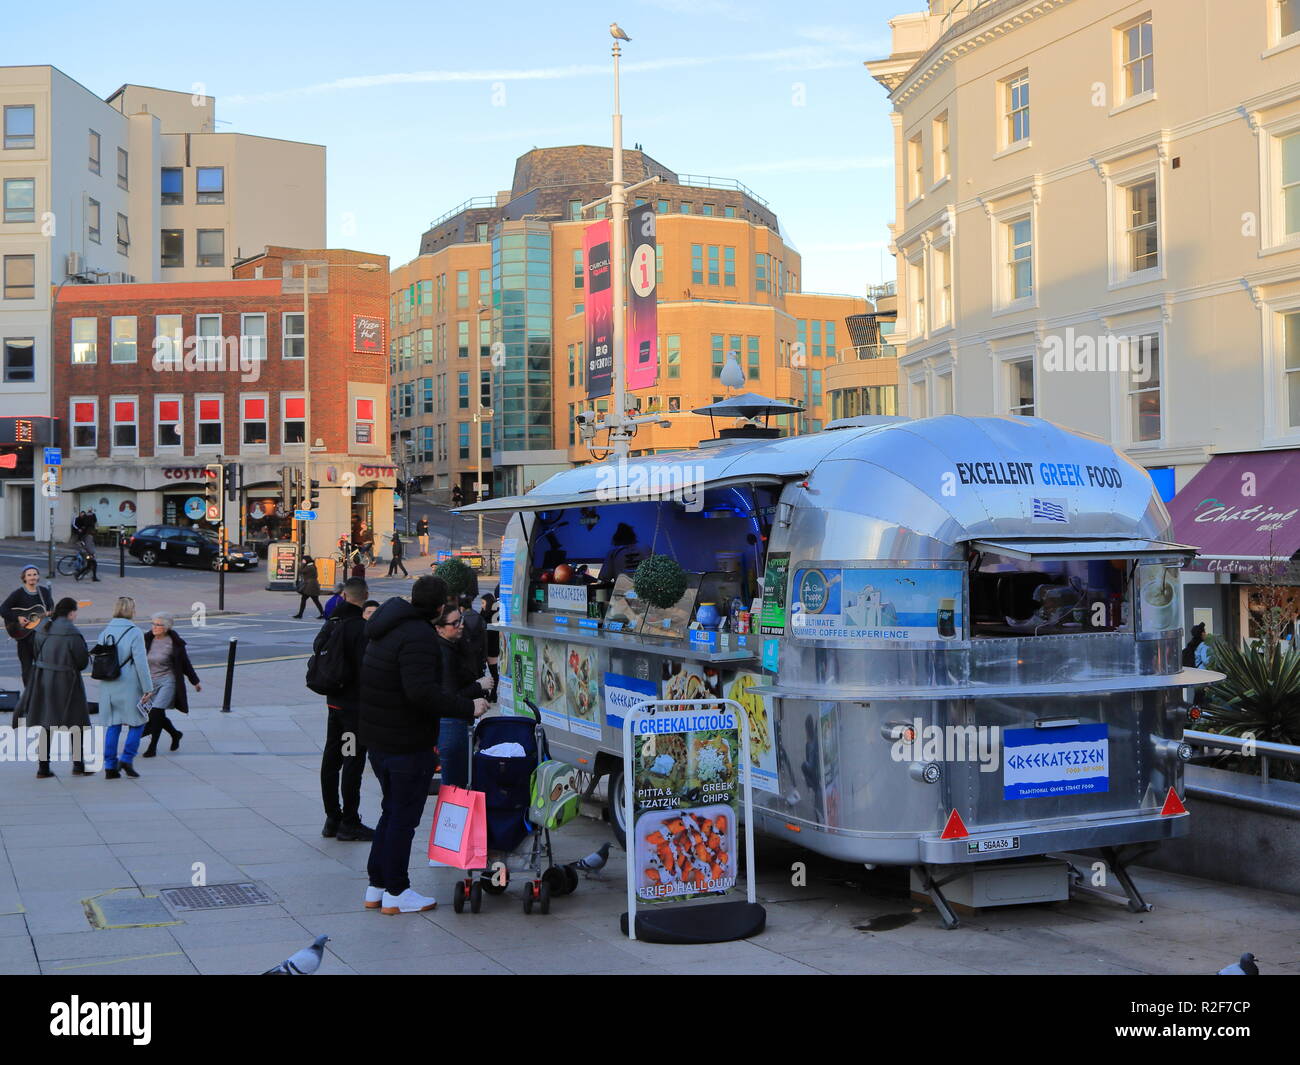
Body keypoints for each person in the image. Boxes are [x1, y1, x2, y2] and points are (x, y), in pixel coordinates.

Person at [358, 576, 488, 914]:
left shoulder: (385, 627)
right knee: (403, 818)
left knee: (391, 811)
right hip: (405, 741)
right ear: (440, 606)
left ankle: (377, 886)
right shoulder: (417, 637)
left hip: (380, 738)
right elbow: (421, 692)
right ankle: (397, 892)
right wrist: (467, 706)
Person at [318, 578, 375, 841]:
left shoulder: (332, 624)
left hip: (334, 703)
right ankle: (349, 822)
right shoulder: (360, 629)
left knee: (331, 760)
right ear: (364, 595)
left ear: (343, 596)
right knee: (351, 761)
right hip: (353, 708)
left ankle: (332, 817)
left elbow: (318, 651)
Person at [14, 598, 91, 778]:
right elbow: (81, 662)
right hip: (68, 681)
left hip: (44, 680)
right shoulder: (73, 632)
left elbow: (36, 652)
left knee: (45, 723)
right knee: (76, 723)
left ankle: (43, 768)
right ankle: (78, 765)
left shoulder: (43, 628)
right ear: (71, 612)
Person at [434, 601, 494, 789]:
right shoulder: (444, 653)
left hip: (457, 722)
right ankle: (453, 818)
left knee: (457, 783)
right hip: (451, 724)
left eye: (460, 621)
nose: (460, 625)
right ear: (440, 629)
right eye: (454, 623)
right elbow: (449, 696)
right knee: (454, 786)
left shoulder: (452, 646)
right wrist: (478, 686)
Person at [94, 597, 153, 779]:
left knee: (113, 724)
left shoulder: (105, 631)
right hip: (129, 683)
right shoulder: (135, 632)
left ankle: (110, 766)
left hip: (108, 683)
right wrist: (148, 687)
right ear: (131, 610)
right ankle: (127, 758)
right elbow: (141, 662)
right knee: (139, 722)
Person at [141, 613, 200, 758]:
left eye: (158, 625)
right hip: (150, 682)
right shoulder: (146, 639)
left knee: (156, 712)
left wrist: (195, 681)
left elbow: (185, 664)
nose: (154, 627)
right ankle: (175, 734)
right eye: (152, 624)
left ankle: (152, 747)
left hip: (168, 681)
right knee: (157, 715)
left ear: (166, 627)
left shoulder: (175, 643)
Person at [2, 565, 55, 688]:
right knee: (26, 669)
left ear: (38, 577)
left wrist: (51, 613)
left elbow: (51, 609)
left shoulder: (44, 592)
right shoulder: (18, 594)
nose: (32, 577)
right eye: (29, 575)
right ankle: (29, 696)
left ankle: (41, 696)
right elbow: (3, 609)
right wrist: (18, 618)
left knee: (43, 667)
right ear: (24, 578)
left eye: (35, 574)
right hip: (24, 637)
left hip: (41, 637)